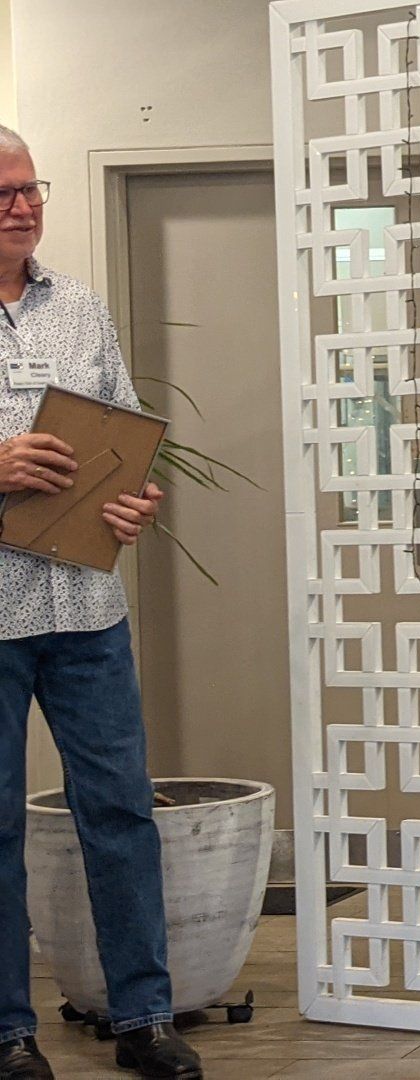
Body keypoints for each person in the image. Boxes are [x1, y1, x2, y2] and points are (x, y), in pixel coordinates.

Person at [0, 126, 198, 1080]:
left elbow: (124, 432)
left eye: (30, 187)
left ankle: (145, 1019)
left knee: (119, 812)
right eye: (2, 192)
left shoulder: (77, 307)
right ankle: (7, 1033)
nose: (23, 206)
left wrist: (132, 498)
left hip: (85, 608)